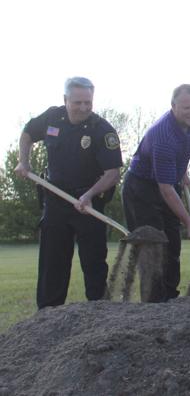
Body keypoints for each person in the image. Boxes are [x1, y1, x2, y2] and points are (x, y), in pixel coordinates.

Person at [14, 77, 122, 309]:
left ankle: (100, 314)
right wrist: (24, 162)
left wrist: (90, 195)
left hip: (89, 204)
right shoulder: (52, 118)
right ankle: (47, 317)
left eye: (88, 102)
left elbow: (112, 173)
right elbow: (27, 133)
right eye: (78, 102)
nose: (83, 107)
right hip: (55, 200)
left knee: (94, 264)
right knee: (52, 264)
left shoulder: (102, 130)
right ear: (65, 100)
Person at [122, 84, 190, 301]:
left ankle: (170, 299)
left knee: (172, 246)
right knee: (153, 250)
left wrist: (182, 170)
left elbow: (182, 150)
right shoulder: (164, 136)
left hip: (166, 182)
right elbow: (166, 190)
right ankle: (154, 305)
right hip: (142, 190)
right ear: (173, 106)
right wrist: (189, 222)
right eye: (186, 108)